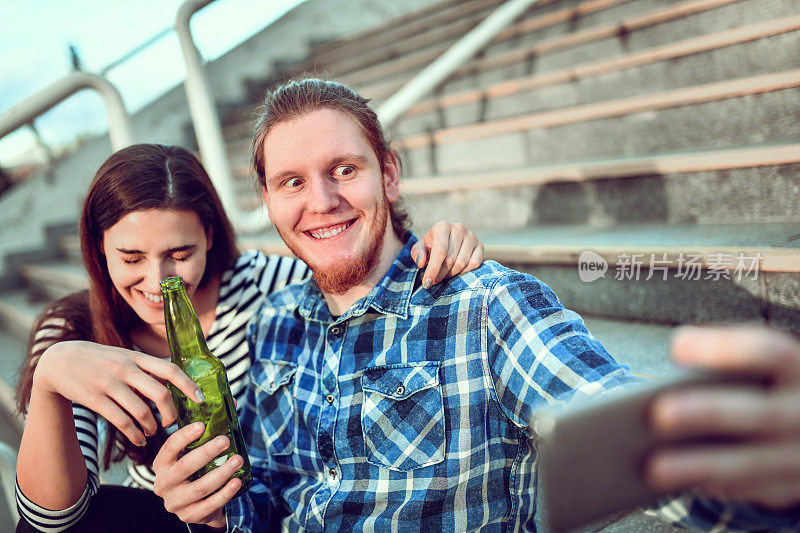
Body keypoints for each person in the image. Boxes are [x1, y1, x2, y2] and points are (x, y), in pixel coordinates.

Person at [151, 79, 800, 532]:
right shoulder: (274, 321)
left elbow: (631, 433)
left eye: (343, 169)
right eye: (292, 181)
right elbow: (274, 497)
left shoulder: (486, 303)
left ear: (389, 174)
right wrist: (218, 507)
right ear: (267, 200)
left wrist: (766, 468)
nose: (320, 201)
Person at [13, 143, 487, 532]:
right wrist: (51, 377)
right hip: (168, 515)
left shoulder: (270, 285)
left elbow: (360, 270)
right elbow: (49, 521)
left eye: (180, 253)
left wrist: (434, 244)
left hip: (258, 512)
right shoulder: (74, 332)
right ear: (99, 249)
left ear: (211, 236)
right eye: (132, 257)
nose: (159, 281)